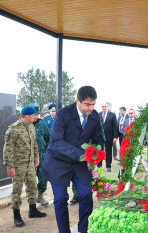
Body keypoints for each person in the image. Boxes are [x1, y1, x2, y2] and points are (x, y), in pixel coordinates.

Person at [41, 86, 104, 233]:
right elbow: (56, 142)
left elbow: (99, 138)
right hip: (58, 161)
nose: (91, 108)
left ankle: (83, 229)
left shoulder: (94, 116)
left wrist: (97, 152)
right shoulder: (63, 114)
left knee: (86, 193)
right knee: (61, 198)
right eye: (88, 104)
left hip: (79, 162)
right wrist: (83, 154)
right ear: (78, 101)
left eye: (93, 104)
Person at [3, 105, 46, 227]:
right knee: (17, 190)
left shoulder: (31, 126)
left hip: (30, 164)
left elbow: (35, 144)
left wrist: (36, 157)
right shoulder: (14, 129)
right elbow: (7, 149)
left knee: (32, 186)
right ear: (27, 116)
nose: (36, 116)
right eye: (34, 115)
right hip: (18, 165)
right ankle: (16, 216)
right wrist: (9, 166)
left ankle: (32, 210)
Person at [29, 103, 51, 207]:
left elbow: (48, 138)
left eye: (37, 114)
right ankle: (31, 202)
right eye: (33, 114)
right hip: (29, 158)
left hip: (42, 156)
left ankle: (40, 196)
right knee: (30, 180)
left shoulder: (42, 123)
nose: (35, 116)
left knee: (43, 178)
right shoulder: (25, 124)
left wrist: (47, 153)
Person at [99, 102, 118, 172]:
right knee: (99, 151)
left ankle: (108, 166)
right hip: (100, 137)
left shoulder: (112, 115)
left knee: (109, 151)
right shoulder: (98, 114)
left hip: (109, 137)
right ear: (101, 107)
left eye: (105, 106)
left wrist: (115, 137)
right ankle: (99, 165)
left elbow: (115, 126)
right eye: (102, 106)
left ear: (107, 107)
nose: (104, 107)